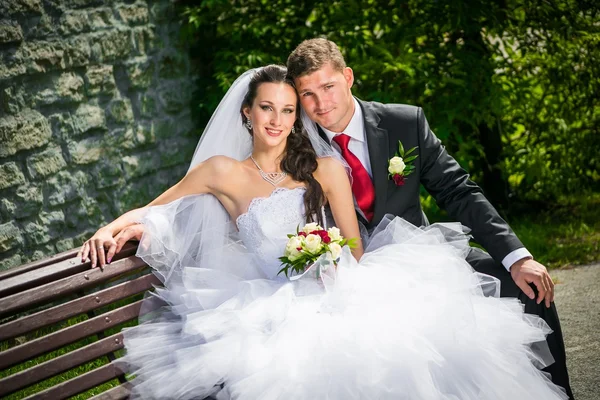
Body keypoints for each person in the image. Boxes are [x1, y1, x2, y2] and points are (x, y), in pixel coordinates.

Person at [79, 65, 568, 399]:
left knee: (408, 354)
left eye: (288, 110)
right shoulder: (220, 171)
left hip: (346, 286)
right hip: (268, 300)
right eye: (267, 108)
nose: (278, 119)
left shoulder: (323, 168)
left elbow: (354, 248)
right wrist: (113, 227)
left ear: (298, 119)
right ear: (246, 112)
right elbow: (158, 205)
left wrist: (333, 259)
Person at [286, 38, 573, 398]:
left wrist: (519, 257)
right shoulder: (295, 146)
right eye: (307, 94)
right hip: (346, 276)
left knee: (530, 288)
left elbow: (457, 190)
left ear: (348, 77)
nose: (320, 103)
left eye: (328, 86)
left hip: (420, 262)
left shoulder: (403, 123)